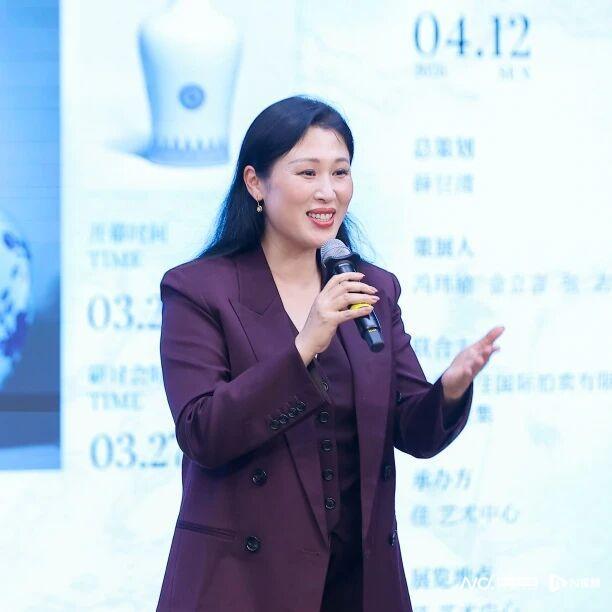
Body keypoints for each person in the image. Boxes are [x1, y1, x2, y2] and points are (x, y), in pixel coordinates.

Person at [155, 95, 504, 612]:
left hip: (357, 582)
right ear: (255, 183)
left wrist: (450, 390)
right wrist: (304, 346)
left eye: (340, 172)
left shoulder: (372, 287)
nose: (328, 191)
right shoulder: (199, 289)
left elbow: (413, 430)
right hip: (244, 583)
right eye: (308, 172)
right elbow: (203, 431)